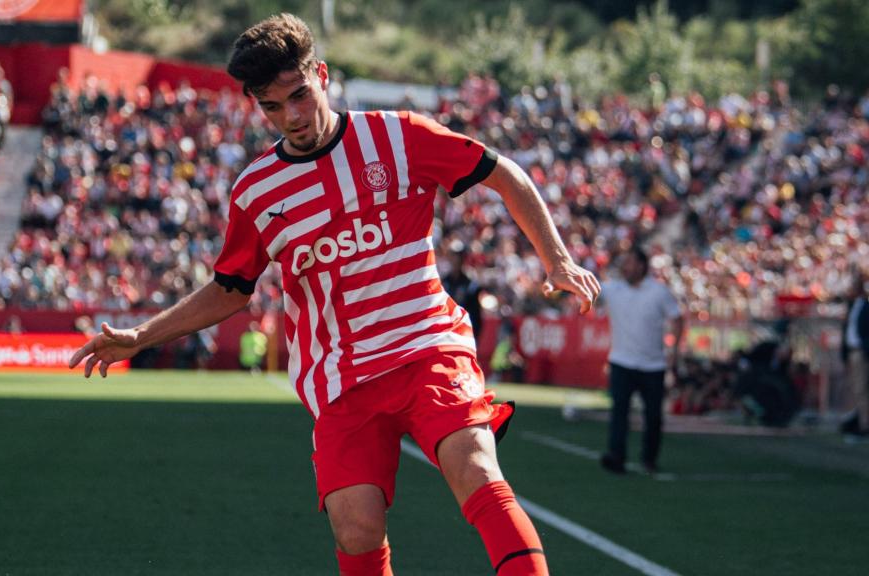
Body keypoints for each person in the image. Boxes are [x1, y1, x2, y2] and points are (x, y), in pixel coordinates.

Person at [68, 13, 600, 576]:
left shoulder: (400, 136)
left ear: (321, 75)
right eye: (273, 106)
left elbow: (504, 174)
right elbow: (230, 289)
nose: (292, 116)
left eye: (300, 94)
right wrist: (140, 335)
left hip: (428, 345)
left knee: (476, 469)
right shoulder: (256, 191)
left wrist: (558, 259)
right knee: (357, 528)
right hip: (340, 376)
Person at [599, 247, 683, 475]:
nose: (625, 267)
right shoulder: (613, 288)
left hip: (653, 364)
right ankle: (617, 457)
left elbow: (677, 319)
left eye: (630, 263)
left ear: (642, 266)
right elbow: (590, 290)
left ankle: (649, 458)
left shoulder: (659, 292)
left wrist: (673, 350)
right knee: (619, 413)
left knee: (653, 416)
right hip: (621, 361)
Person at [840, 274, 869, 437]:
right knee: (856, 390)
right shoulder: (852, 307)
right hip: (853, 352)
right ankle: (857, 421)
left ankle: (864, 425)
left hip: (861, 352)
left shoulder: (865, 307)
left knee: (861, 389)